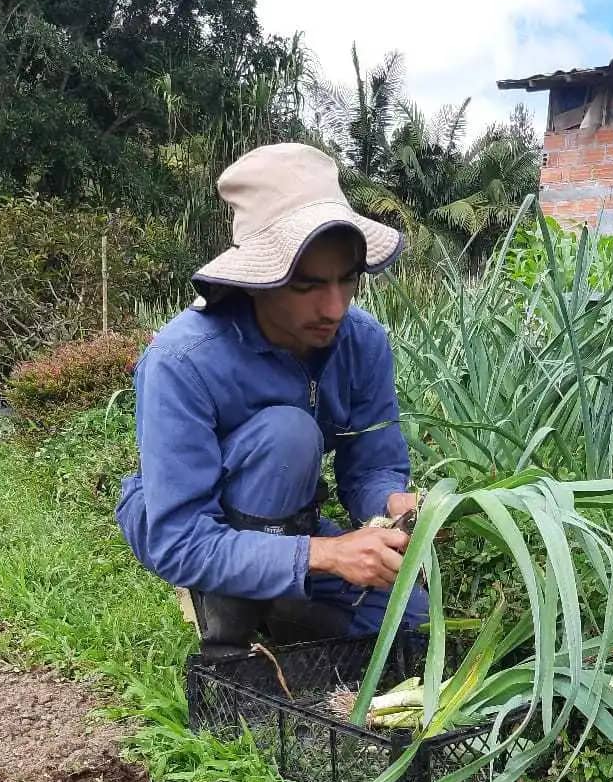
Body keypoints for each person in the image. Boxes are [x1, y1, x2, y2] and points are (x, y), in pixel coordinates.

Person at [116, 142, 428, 657]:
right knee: (288, 433)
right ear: (258, 280)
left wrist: (392, 505)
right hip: (198, 523)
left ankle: (281, 609)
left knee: (410, 620)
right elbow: (179, 538)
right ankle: (227, 625)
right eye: (307, 286)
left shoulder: (362, 341)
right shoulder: (183, 360)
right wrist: (324, 555)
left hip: (292, 522)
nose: (334, 307)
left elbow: (371, 467)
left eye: (347, 279)